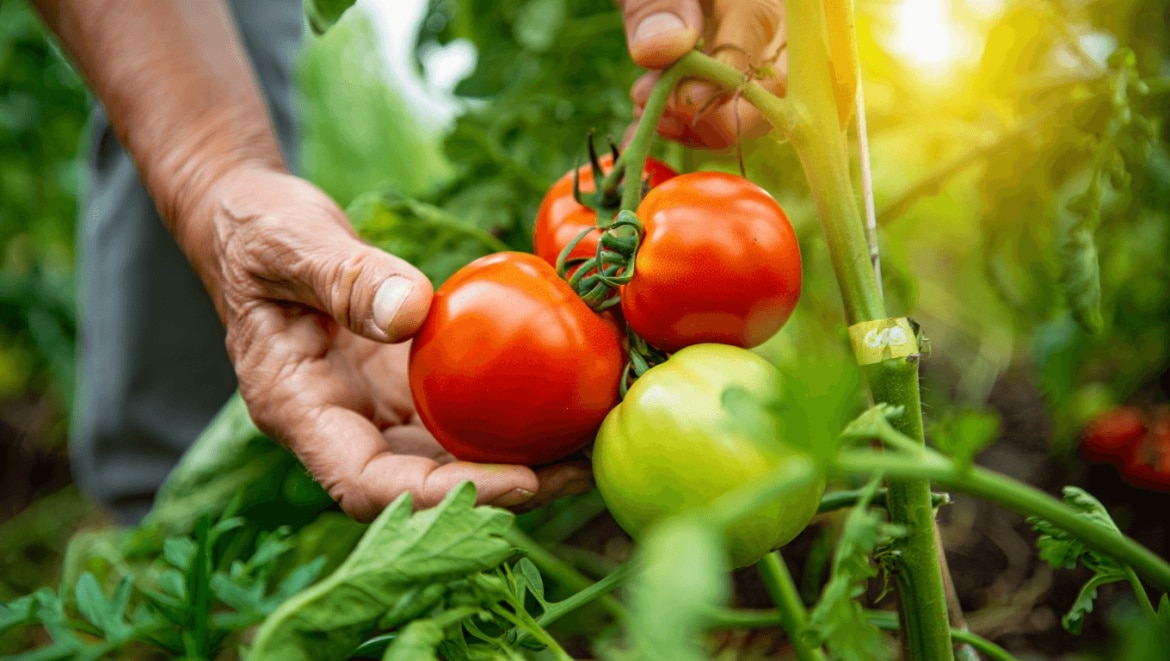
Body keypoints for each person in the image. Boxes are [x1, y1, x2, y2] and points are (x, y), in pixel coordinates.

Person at [31, 0, 785, 525]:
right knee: (226, 44)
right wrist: (210, 175)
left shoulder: (577, 254)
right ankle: (152, 508)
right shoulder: (600, 260)